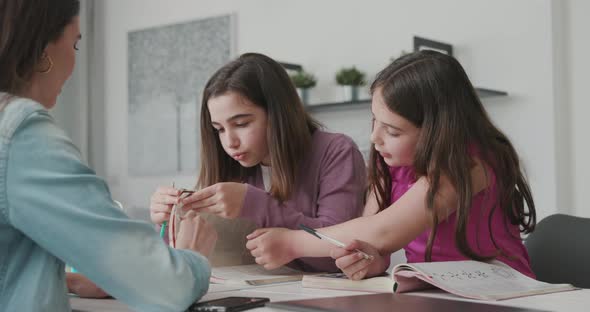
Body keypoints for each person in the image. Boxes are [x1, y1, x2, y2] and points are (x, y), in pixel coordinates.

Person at [245, 50, 537, 280]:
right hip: (436, 293)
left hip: (503, 295)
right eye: (375, 121)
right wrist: (368, 259)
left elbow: (383, 230)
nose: (375, 138)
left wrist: (292, 243)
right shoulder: (395, 162)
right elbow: (371, 237)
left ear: (438, 130)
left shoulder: (473, 165)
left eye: (393, 131)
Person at [0, 1, 215, 310]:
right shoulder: (19, 132)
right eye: (75, 43)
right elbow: (166, 285)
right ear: (43, 47)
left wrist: (65, 278)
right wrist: (193, 256)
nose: (75, 61)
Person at [149, 53, 367, 272]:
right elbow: (197, 258)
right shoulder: (230, 164)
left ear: (278, 114)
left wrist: (256, 204)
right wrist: (169, 222)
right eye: (219, 129)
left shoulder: (337, 151)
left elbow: (339, 252)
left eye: (242, 124)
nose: (229, 142)